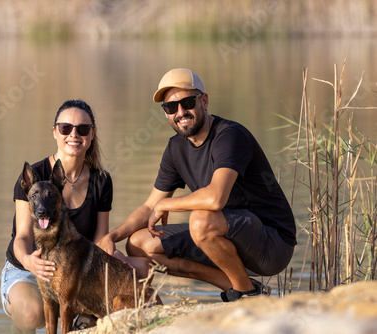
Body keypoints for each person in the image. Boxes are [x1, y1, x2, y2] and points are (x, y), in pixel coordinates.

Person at [98, 68, 297, 302]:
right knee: (139, 244)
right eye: (171, 107)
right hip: (222, 237)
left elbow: (215, 199)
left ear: (204, 100)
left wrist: (167, 205)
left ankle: (247, 295)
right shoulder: (175, 149)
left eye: (188, 102)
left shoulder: (230, 136)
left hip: (271, 244)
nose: (181, 112)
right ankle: (239, 286)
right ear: (165, 114)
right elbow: (150, 205)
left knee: (201, 219)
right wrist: (112, 237)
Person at [0, 100, 114, 333]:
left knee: (132, 273)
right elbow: (22, 236)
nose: (74, 134)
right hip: (28, 267)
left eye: (82, 129)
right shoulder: (34, 176)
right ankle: (20, 325)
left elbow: (101, 239)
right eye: (65, 128)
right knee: (33, 315)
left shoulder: (101, 180)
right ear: (54, 132)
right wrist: (29, 261)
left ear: (92, 134)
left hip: (77, 269)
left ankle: (83, 319)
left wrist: (117, 260)